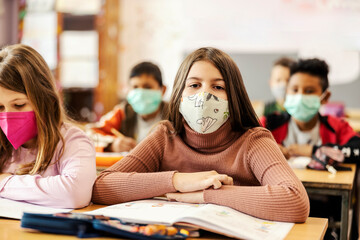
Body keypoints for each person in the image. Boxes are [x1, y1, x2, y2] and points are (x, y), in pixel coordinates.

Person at [92, 47, 309, 223]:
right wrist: (178, 180)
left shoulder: (253, 141)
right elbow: (101, 186)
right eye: (194, 85)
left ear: (234, 95)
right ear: (179, 94)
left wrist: (206, 194)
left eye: (218, 87)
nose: (205, 95)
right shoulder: (164, 136)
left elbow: (295, 201)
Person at [0, 44, 96, 208]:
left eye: (19, 105)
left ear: (46, 100)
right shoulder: (3, 144)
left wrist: (4, 181)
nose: (8, 116)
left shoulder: (72, 141)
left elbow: (74, 194)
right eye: (0, 108)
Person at [260, 58, 360, 162]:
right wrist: (268, 150)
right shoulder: (268, 124)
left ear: (325, 97)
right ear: (287, 92)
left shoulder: (337, 127)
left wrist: (313, 150)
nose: (300, 96)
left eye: (309, 91)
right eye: (294, 90)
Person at [87, 62, 167, 152]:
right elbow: (90, 134)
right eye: (135, 87)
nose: (140, 93)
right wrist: (112, 144)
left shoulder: (173, 115)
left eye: (147, 87)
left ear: (163, 90)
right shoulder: (123, 112)